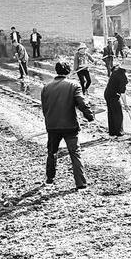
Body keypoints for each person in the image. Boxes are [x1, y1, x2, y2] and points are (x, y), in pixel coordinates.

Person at [41, 61, 94, 189]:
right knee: (75, 153)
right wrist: (90, 116)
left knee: (52, 152)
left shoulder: (46, 87)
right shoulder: (74, 86)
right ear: (69, 72)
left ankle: (49, 179)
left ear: (56, 71)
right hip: (70, 125)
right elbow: (81, 103)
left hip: (52, 126)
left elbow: (44, 108)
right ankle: (80, 183)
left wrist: (49, 121)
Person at [104, 59, 129, 137]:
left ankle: (112, 132)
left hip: (107, 93)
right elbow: (123, 93)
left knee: (111, 113)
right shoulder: (123, 77)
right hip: (113, 95)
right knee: (118, 114)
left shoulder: (116, 69)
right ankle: (119, 133)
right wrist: (126, 105)